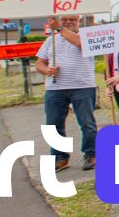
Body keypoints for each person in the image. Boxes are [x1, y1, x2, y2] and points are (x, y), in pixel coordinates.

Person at [34, 14, 98, 171]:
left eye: (73, 20)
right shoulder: (51, 40)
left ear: (79, 21)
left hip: (82, 86)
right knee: (54, 125)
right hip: (55, 88)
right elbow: (39, 63)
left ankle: (91, 154)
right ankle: (60, 157)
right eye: (64, 20)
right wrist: (47, 70)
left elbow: (79, 43)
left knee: (86, 123)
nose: (68, 22)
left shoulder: (86, 36)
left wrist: (59, 28)